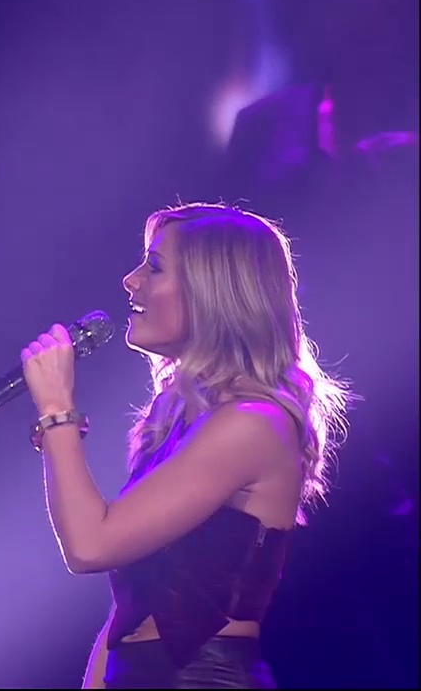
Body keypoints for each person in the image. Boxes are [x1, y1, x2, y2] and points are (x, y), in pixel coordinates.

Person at [19, 202, 351, 688]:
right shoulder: (174, 414)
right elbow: (131, 610)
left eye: (154, 267)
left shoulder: (252, 424)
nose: (131, 281)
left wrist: (57, 412)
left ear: (212, 293)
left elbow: (90, 545)